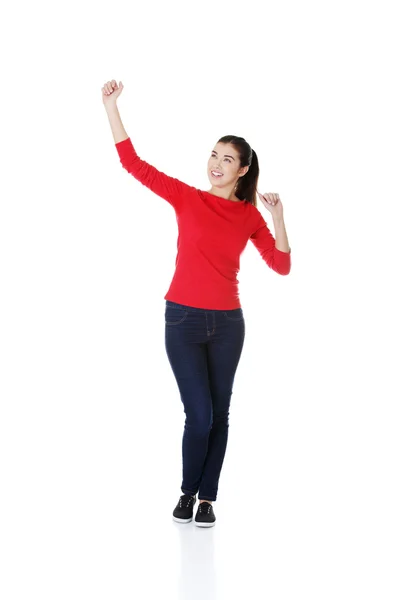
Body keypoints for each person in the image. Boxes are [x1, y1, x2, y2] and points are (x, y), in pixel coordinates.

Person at [102, 79, 291, 528]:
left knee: (220, 413)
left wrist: (279, 218)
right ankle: (187, 492)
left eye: (228, 159)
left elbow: (281, 265)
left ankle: (207, 499)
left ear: (243, 170)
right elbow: (132, 163)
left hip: (228, 325)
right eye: (214, 155)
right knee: (200, 414)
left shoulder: (248, 217)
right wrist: (110, 106)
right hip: (182, 320)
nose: (217, 164)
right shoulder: (187, 197)